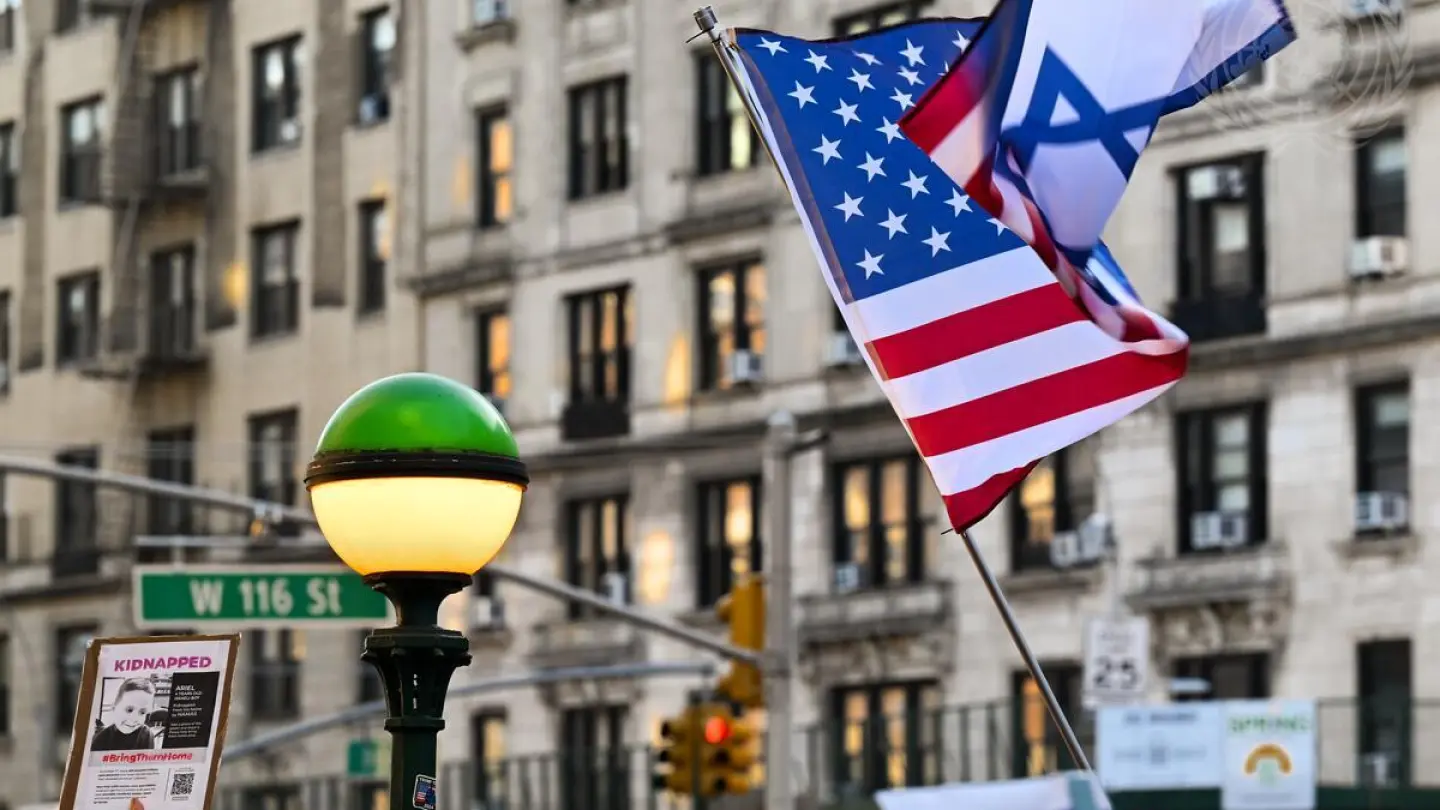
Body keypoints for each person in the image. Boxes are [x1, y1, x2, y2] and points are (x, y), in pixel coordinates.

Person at [92, 677, 158, 752]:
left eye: (142, 712)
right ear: (114, 709)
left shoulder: (147, 735)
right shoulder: (101, 739)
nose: (134, 718)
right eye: (129, 710)